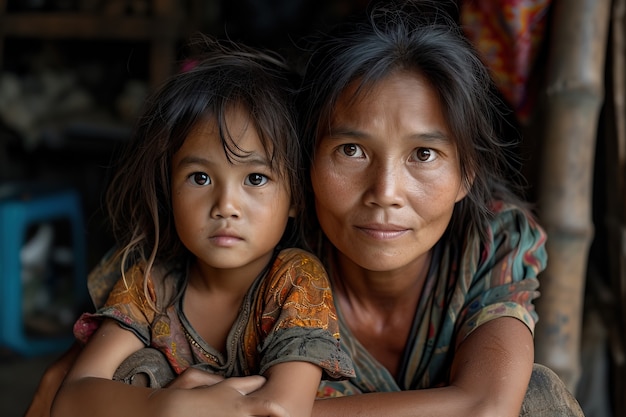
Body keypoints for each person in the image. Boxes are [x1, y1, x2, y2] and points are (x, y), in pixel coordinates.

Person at [28, 1, 585, 416]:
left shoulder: (492, 245)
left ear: (466, 171)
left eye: (423, 154)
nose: (385, 191)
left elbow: (486, 407)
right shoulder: (259, 249)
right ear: (301, 164)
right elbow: (71, 384)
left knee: (537, 397)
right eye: (351, 150)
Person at [48, 34, 354, 417]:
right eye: (200, 178)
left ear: (295, 198)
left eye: (255, 179)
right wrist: (170, 403)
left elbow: (281, 408)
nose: (225, 206)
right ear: (169, 188)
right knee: (140, 371)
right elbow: (73, 398)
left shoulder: (294, 279)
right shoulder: (151, 285)